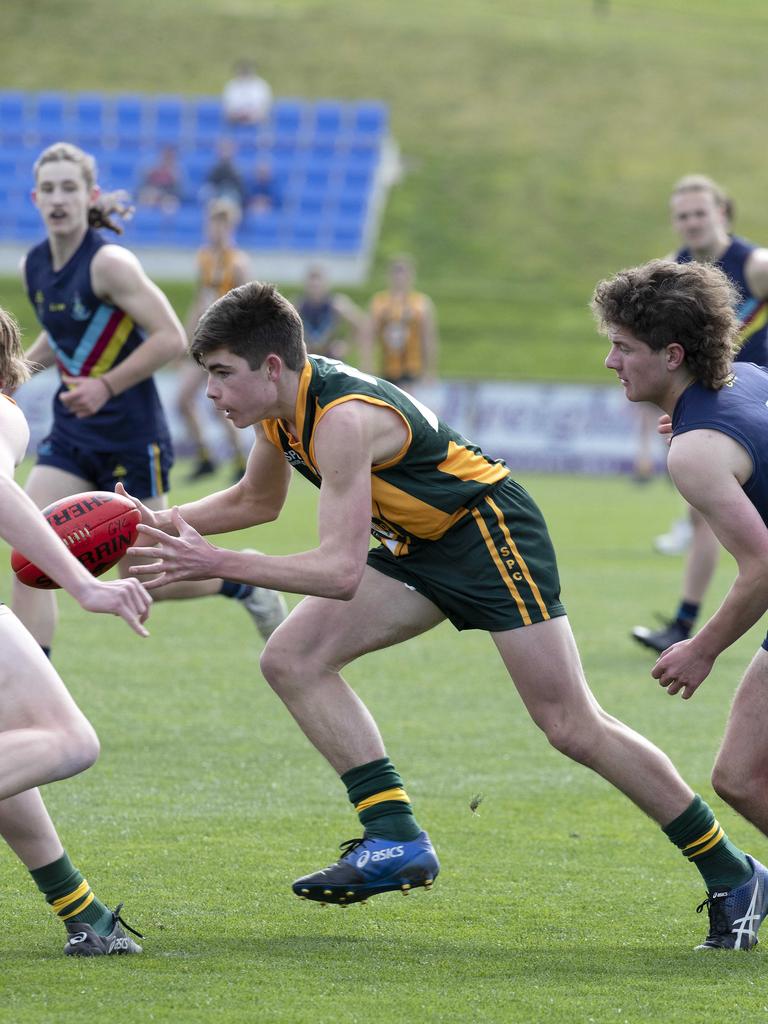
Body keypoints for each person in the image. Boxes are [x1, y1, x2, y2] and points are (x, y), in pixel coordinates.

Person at [124, 281, 766, 950]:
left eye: (223, 374)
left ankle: (731, 872)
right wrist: (152, 521)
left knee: (572, 726)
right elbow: (255, 500)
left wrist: (217, 563)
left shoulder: (340, 416)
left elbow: (338, 572)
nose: (211, 393)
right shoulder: (279, 412)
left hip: (490, 536)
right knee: (292, 658)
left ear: (273, 367)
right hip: (418, 545)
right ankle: (394, 836)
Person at [13, 142, 287, 660]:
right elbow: (58, 331)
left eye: (69, 187)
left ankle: (241, 583)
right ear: (34, 197)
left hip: (131, 435)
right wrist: (17, 374)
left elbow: (168, 337)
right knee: (32, 553)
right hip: (74, 432)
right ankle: (33, 691)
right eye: (48, 188)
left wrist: (106, 385)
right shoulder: (35, 266)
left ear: (89, 195)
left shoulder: (110, 264)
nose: (58, 198)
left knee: (146, 575)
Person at [596, 257, 768, 871]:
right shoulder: (748, 377)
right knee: (742, 773)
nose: (610, 362)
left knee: (744, 777)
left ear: (671, 355)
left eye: (623, 346)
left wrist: (702, 649)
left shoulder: (693, 453)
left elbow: (763, 565)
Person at [0, 306, 151, 956]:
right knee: (69, 741)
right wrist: (85, 584)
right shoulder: (4, 412)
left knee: (13, 745)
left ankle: (81, 912)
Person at [632, 176, 768, 653]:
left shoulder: (754, 266)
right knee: (702, 515)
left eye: (700, 213)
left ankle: (689, 624)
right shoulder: (674, 271)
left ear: (722, 214)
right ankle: (686, 620)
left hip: (755, 404)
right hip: (714, 407)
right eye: (682, 215)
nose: (691, 223)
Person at [178, 198, 252, 481]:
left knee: (222, 405)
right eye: (213, 223)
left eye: (222, 224)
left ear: (231, 227)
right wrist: (185, 338)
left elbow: (248, 307)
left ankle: (240, 462)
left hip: (228, 346)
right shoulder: (205, 259)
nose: (216, 229)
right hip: (206, 344)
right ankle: (206, 457)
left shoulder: (239, 263)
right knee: (183, 401)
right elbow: (200, 300)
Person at [360, 256, 438, 387]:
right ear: (389, 276)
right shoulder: (379, 302)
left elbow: (428, 338)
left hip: (413, 367)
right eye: (396, 273)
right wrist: (367, 363)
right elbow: (368, 336)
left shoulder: (421, 303)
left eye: (404, 273)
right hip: (386, 367)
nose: (400, 278)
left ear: (411, 276)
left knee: (408, 403)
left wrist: (431, 369)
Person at [296, 266, 366, 361]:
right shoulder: (299, 305)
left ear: (326, 284)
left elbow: (360, 323)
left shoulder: (336, 304)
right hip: (308, 357)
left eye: (318, 285)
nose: (315, 288)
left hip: (331, 357)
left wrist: (346, 345)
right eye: (312, 285)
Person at [200, 139, 247, 211]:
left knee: (229, 193)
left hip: (232, 197)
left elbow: (241, 187)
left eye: (228, 149)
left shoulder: (237, 169)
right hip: (216, 196)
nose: (225, 152)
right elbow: (209, 184)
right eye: (223, 149)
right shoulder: (213, 168)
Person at [222, 60, 272, 126]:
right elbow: (228, 108)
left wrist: (253, 115)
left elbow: (266, 108)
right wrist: (238, 115)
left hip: (257, 122)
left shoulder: (261, 85)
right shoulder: (232, 85)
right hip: (235, 122)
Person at [137, 145, 182, 214]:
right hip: (150, 193)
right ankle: (145, 218)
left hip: (168, 196)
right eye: (165, 156)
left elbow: (180, 192)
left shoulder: (178, 172)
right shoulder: (150, 168)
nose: (167, 159)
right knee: (147, 196)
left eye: (170, 157)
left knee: (170, 202)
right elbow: (140, 186)